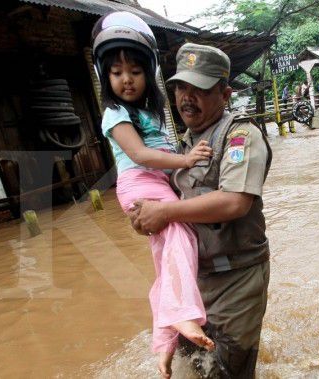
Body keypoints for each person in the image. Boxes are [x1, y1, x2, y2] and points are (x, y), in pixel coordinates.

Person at [129, 42, 272, 378]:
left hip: (238, 278)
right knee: (191, 364)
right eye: (181, 88)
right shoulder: (182, 146)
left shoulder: (240, 136)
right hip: (194, 278)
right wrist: (144, 218)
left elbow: (235, 201)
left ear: (224, 94)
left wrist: (164, 213)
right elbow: (163, 206)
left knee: (229, 371)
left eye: (199, 89)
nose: (186, 97)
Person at [91, 12, 216, 377]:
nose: (126, 80)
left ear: (149, 73)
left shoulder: (151, 114)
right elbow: (142, 156)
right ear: (105, 77)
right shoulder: (114, 114)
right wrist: (187, 158)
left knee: (165, 267)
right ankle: (183, 315)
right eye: (116, 73)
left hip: (156, 185)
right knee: (180, 229)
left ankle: (163, 345)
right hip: (139, 184)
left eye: (134, 71)